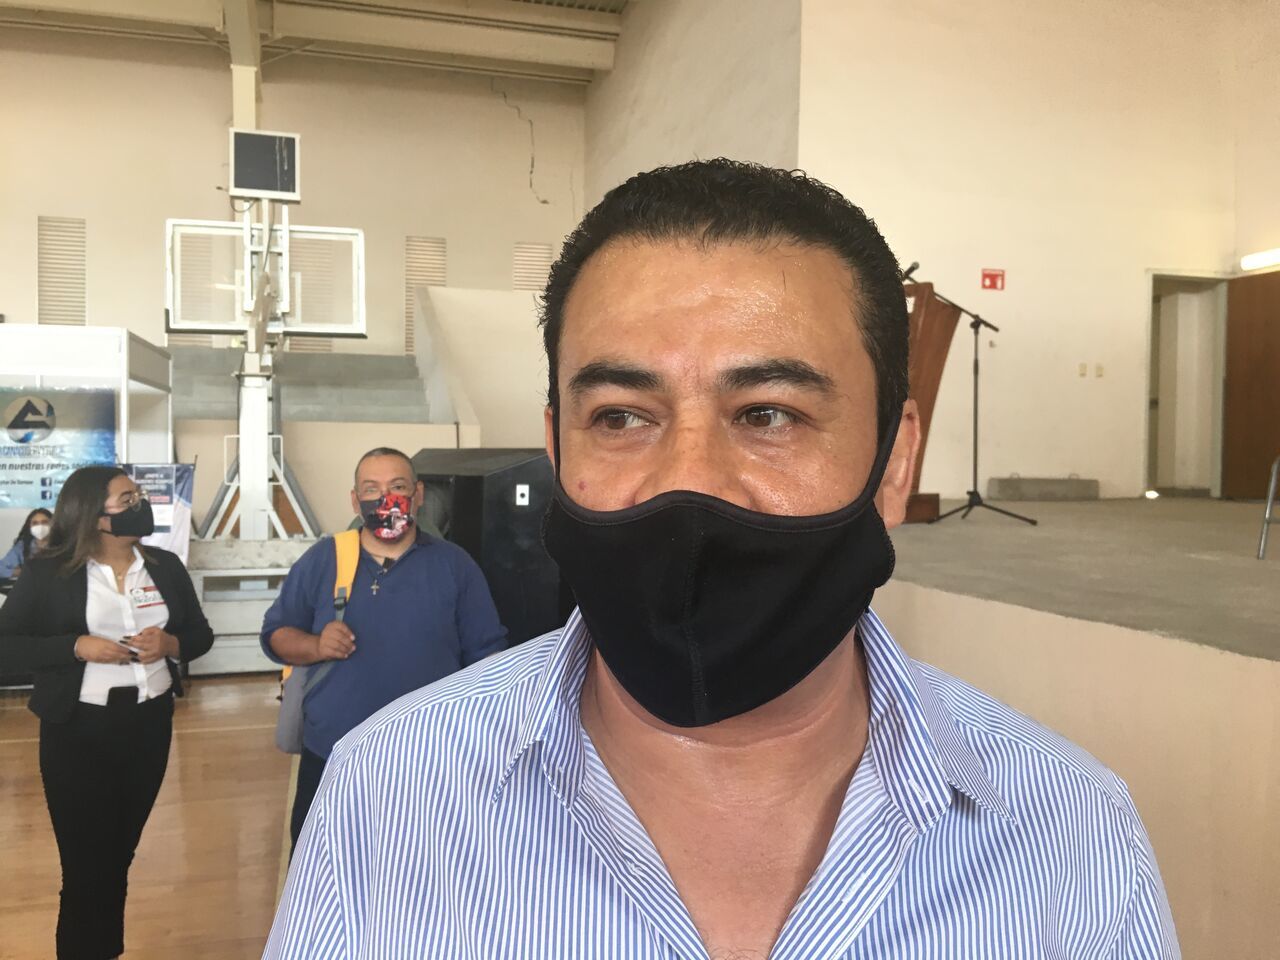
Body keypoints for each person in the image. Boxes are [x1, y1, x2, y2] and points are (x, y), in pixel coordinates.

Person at [265, 161, 1179, 959]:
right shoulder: (387, 795)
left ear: (896, 462)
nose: (689, 482)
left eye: (770, 414)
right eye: (621, 416)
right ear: (556, 449)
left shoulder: (1073, 836)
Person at [0, 465, 214, 960]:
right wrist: (75, 646)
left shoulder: (165, 566)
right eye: (128, 498)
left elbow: (200, 635)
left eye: (139, 495)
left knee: (117, 856)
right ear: (95, 515)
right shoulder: (48, 574)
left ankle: (103, 950)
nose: (141, 504)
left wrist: (170, 644)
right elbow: (5, 646)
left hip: (149, 726)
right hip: (78, 731)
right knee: (85, 866)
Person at [261, 446, 507, 851]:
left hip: (428, 760)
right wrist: (316, 644)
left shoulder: (454, 565)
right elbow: (275, 635)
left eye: (398, 487)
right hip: (334, 756)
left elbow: (488, 656)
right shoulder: (323, 560)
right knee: (323, 867)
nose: (385, 499)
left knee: (421, 866)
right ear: (354, 500)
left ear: (419, 494)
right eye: (371, 489)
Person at [0, 507, 53, 580]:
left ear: (52, 524)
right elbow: (1, 568)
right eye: (35, 523)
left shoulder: (62, 545)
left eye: (44, 522)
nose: (40, 526)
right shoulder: (22, 546)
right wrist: (22, 572)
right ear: (30, 527)